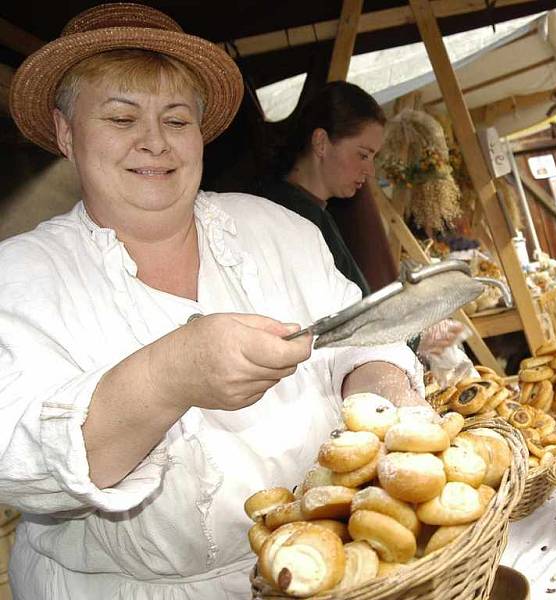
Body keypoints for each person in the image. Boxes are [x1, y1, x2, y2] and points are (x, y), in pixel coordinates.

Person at [0, 4, 429, 599]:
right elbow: (16, 461)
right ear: (68, 134)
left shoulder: (280, 231)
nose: (153, 142)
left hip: (318, 567)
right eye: (122, 117)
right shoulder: (18, 277)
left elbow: (362, 339)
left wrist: (385, 392)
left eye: (177, 121)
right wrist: (170, 374)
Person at [258, 80, 464, 360]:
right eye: (363, 155)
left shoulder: (309, 208)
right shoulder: (294, 215)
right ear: (321, 142)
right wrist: (416, 338)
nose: (369, 170)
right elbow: (336, 322)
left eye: (373, 157)